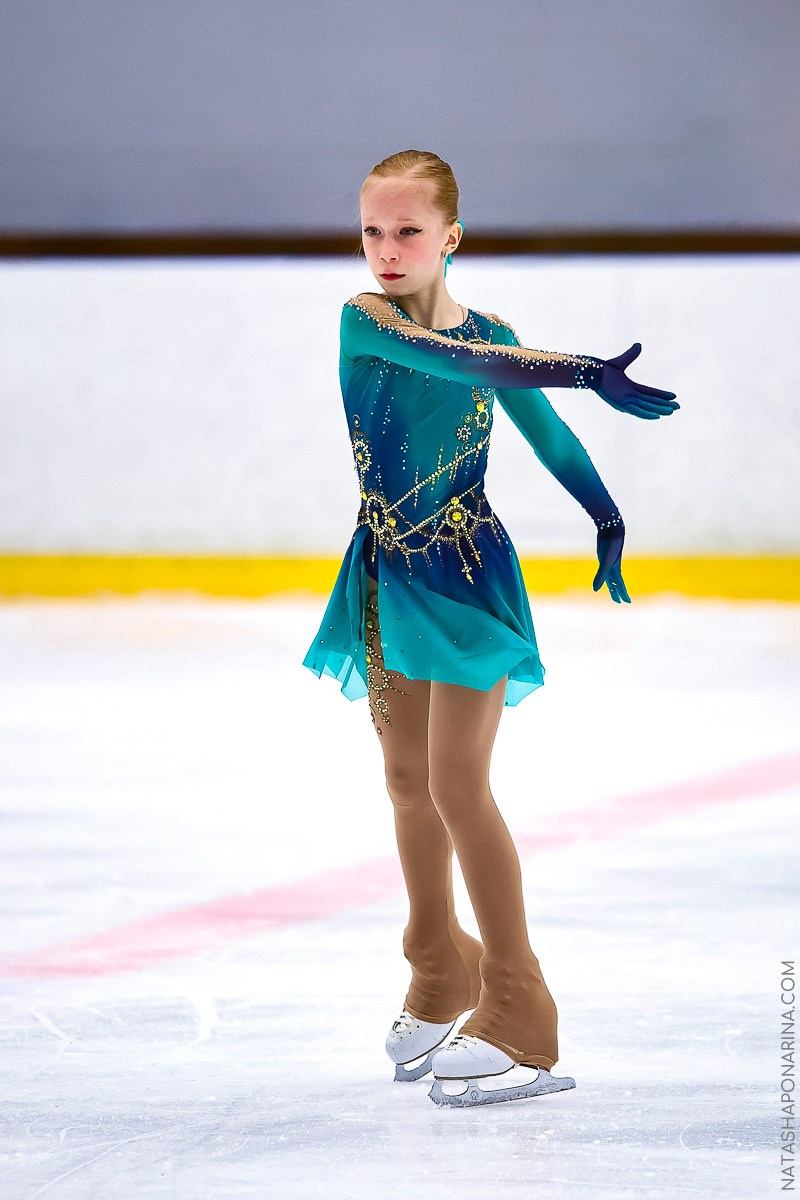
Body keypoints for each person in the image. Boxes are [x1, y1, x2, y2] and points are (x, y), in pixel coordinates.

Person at [302, 149, 679, 1107]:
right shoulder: (365, 321)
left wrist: (606, 515)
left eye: (408, 231)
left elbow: (543, 429)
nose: (387, 250)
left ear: (450, 238)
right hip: (387, 568)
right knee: (402, 778)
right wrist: (584, 367)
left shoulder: (497, 332)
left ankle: (521, 1003)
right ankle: (439, 962)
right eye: (373, 231)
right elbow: (462, 361)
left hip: (465, 573)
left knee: (456, 782)